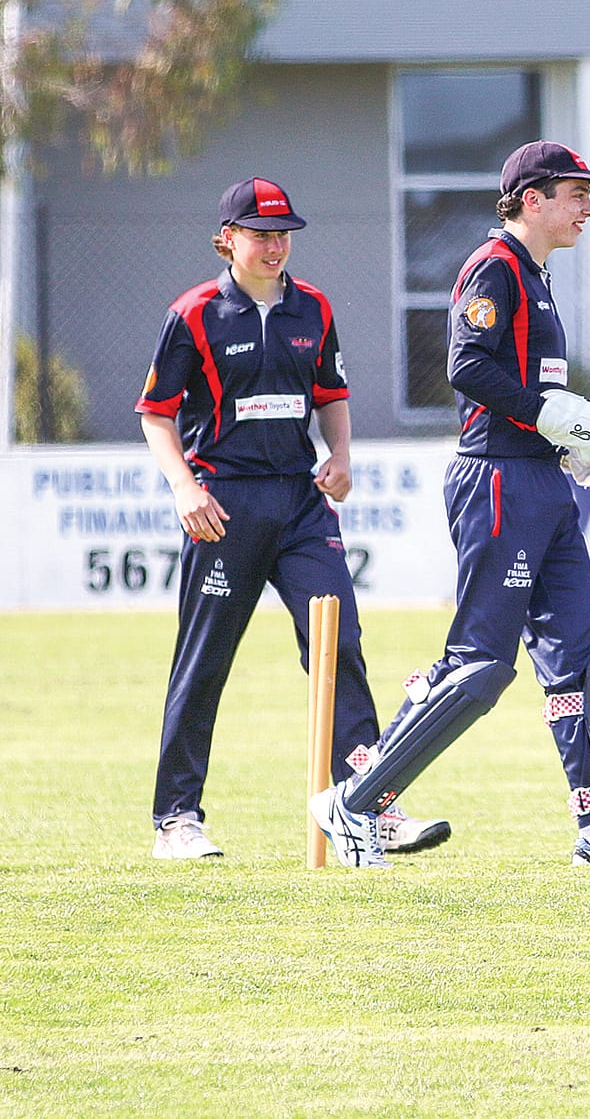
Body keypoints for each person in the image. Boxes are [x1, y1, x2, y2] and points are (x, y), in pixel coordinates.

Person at [309, 141, 590, 869]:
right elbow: (465, 365)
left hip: (540, 479)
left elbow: (532, 388)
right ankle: (355, 799)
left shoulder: (537, 276)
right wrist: (550, 415)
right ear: (532, 198)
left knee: (580, 657)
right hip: (497, 481)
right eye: (575, 195)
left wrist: (573, 435)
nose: (589, 208)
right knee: (480, 666)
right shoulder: (494, 265)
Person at [138, 178, 448, 861]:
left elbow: (331, 393)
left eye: (283, 234)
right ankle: (177, 819)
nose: (275, 245)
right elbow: (157, 414)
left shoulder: (314, 306)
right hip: (224, 503)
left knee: (340, 644)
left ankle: (368, 805)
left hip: (301, 503)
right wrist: (184, 487)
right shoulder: (193, 314)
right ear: (228, 239)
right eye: (260, 233)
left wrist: (339, 455)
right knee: (206, 658)